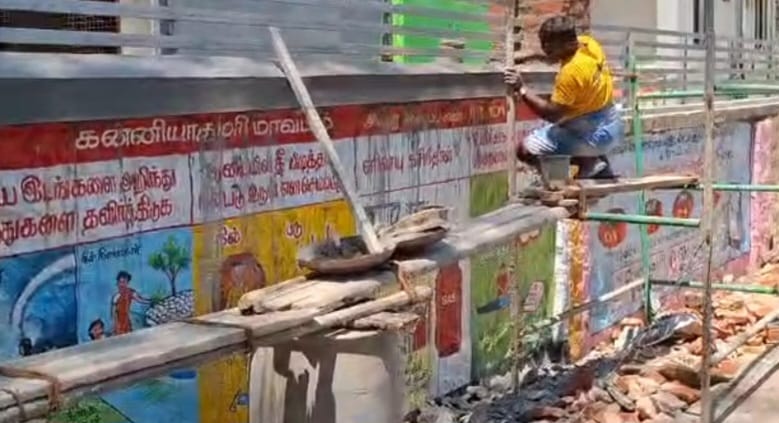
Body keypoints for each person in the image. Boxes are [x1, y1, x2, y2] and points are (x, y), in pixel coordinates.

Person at [504, 15, 624, 179]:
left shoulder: (571, 73)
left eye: (549, 47)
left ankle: (562, 177)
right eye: (543, 44)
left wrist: (522, 89)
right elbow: (555, 53)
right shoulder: (588, 44)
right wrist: (531, 55)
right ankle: (592, 162)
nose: (545, 50)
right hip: (610, 123)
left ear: (566, 44)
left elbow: (552, 114)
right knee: (567, 124)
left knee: (525, 150)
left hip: (593, 133)